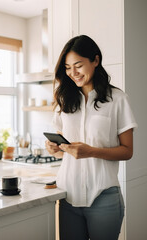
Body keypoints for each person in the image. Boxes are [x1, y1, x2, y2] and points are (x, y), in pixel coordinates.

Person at [45, 35, 137, 240]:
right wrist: (54, 148)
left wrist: (91, 152)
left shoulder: (118, 99)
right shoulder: (64, 100)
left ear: (95, 60)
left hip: (103, 198)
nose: (73, 73)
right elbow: (63, 152)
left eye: (78, 65)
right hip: (67, 196)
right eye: (68, 68)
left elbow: (127, 151)